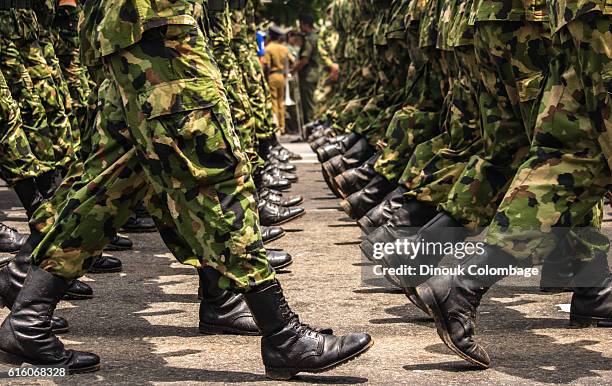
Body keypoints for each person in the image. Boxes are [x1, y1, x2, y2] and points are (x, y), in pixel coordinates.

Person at [0, 0, 373, 379]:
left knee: (113, 179)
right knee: (213, 171)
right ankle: (281, 333)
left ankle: (28, 312)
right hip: (156, 24)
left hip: (136, 27)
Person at [292, 14, 320, 125]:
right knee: (312, 103)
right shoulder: (317, 36)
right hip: (315, 74)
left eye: (300, 24)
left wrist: (293, 70)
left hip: (308, 75)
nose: (300, 28)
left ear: (305, 24)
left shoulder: (309, 39)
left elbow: (305, 60)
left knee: (308, 105)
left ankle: (309, 130)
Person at [263, 26, 291, 134]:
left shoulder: (268, 48)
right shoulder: (284, 48)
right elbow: (291, 60)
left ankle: (275, 127)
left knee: (273, 101)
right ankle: (282, 126)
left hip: (272, 76)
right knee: (281, 102)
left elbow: (267, 66)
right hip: (282, 77)